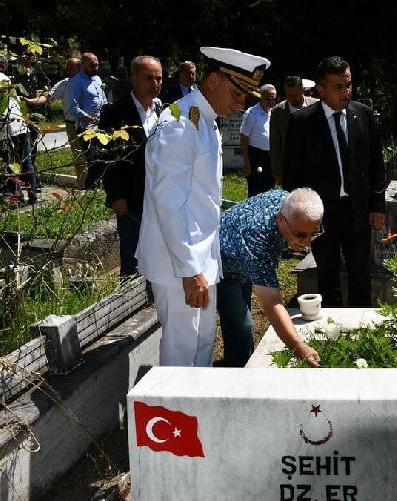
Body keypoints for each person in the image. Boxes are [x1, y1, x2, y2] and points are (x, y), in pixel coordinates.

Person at [137, 46, 270, 367]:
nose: (242, 103)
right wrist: (189, 270)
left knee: (202, 344)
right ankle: (176, 415)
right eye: (238, 92)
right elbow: (168, 203)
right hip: (179, 264)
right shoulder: (181, 124)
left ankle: (195, 415)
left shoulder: (203, 119)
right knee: (183, 350)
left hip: (198, 258)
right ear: (212, 80)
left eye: (246, 95)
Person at [284, 56, 386, 307]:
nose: (346, 91)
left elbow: (376, 163)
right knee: (327, 273)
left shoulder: (362, 115)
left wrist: (377, 205)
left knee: (360, 272)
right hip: (322, 213)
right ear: (321, 89)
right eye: (338, 86)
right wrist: (298, 218)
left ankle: (361, 325)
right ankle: (331, 327)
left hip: (358, 210)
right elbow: (293, 174)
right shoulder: (302, 122)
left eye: (349, 84)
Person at [218, 188, 323, 367]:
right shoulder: (256, 237)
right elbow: (271, 303)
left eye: (314, 233)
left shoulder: (291, 204)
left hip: (242, 259)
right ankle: (238, 378)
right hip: (222, 266)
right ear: (281, 220)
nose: (307, 243)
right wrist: (298, 346)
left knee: (238, 323)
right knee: (241, 326)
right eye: (300, 235)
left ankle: (239, 365)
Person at [98, 56, 163, 279]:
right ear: (133, 78)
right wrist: (116, 195)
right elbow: (104, 158)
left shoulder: (162, 111)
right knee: (132, 253)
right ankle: (128, 304)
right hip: (131, 198)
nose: (155, 84)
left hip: (161, 196)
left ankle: (154, 296)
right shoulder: (115, 113)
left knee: (158, 253)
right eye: (149, 78)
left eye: (159, 78)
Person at [65, 52, 107, 187]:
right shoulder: (75, 82)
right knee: (85, 158)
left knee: (99, 155)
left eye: (97, 65)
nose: (95, 68)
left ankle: (97, 183)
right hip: (84, 127)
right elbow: (72, 106)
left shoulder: (97, 79)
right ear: (83, 65)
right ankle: (86, 186)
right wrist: (88, 118)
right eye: (92, 66)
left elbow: (103, 99)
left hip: (99, 125)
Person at [270, 75, 319, 186]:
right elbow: (275, 144)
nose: (292, 99)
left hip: (315, 167)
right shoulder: (278, 112)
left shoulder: (317, 106)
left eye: (295, 95)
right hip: (290, 169)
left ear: (303, 90)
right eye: (288, 96)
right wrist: (277, 171)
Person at [0, 71, 37, 204]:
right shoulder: (4, 77)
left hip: (5, 128)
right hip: (19, 124)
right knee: (26, 162)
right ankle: (33, 196)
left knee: (11, 165)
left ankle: (19, 199)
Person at [240, 83, 277, 196]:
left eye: (273, 99)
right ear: (261, 97)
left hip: (269, 156)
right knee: (255, 189)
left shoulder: (274, 112)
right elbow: (244, 137)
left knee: (269, 187)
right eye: (267, 98)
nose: (270, 101)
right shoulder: (252, 113)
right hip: (255, 156)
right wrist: (247, 162)